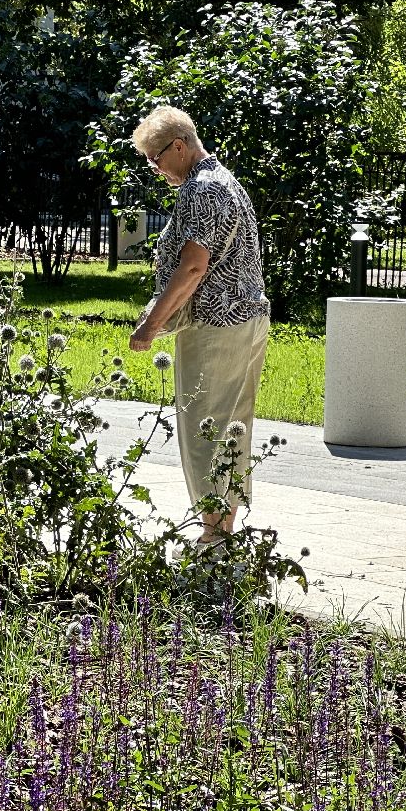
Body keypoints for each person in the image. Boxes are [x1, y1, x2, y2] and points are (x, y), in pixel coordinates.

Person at [127, 107, 270, 542]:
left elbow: (193, 268)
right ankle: (224, 531)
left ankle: (213, 536)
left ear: (179, 146)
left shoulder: (202, 189)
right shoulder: (223, 181)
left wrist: (151, 326)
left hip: (215, 325)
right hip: (244, 320)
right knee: (231, 427)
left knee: (203, 429)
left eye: (155, 156)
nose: (154, 167)